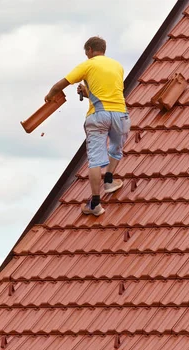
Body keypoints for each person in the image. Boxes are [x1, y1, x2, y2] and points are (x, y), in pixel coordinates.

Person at [45, 36, 130, 216]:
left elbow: (62, 84)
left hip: (98, 116)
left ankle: (95, 204)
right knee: (116, 148)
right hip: (120, 114)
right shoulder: (118, 66)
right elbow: (108, 95)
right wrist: (87, 92)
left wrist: (51, 94)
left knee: (95, 160)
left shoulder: (88, 65)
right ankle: (109, 181)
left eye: (86, 53)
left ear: (90, 49)